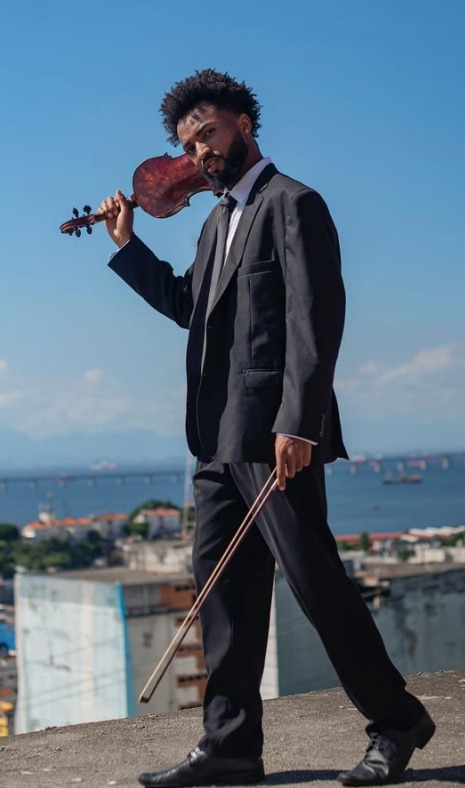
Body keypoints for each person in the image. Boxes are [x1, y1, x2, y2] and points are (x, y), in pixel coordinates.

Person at [99, 69, 435, 787]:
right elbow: (191, 305)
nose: (200, 154)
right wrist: (129, 248)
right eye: (190, 146)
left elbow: (317, 320)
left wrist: (299, 423)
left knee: (315, 584)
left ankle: (397, 720)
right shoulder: (215, 220)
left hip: (277, 436)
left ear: (244, 124)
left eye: (210, 134)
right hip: (216, 441)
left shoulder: (294, 204)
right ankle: (230, 746)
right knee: (223, 591)